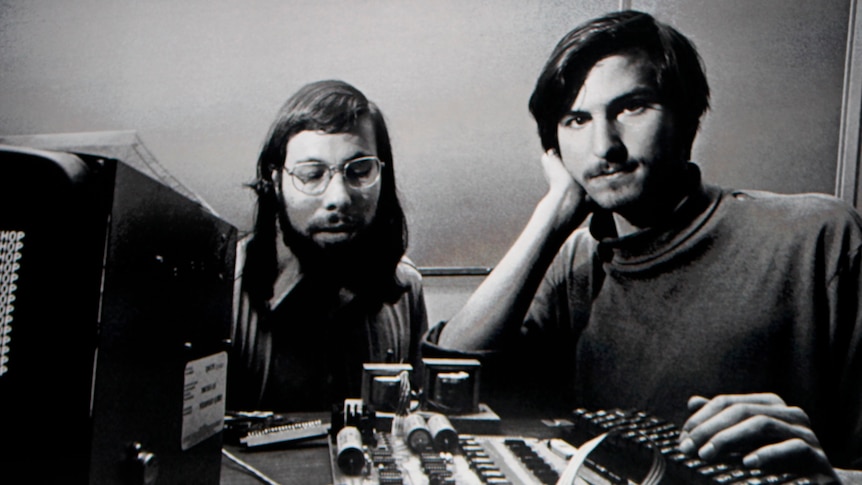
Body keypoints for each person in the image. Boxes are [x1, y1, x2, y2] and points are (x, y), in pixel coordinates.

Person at [425, 10, 861, 481]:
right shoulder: (577, 263)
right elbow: (449, 379)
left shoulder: (819, 237)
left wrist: (829, 479)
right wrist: (551, 215)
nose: (604, 145)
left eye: (631, 107)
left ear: (687, 118)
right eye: (575, 120)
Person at [229, 80, 428, 412]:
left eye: (360, 171)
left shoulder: (406, 288)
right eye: (311, 175)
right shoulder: (222, 291)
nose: (339, 198)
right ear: (276, 182)